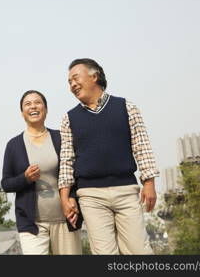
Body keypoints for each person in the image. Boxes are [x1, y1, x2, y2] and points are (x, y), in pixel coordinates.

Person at [58, 58, 158, 255]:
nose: (72, 85)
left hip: (126, 191)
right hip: (90, 195)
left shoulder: (126, 107)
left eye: (75, 78)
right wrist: (65, 197)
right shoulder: (69, 118)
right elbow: (67, 160)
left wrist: (149, 183)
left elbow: (142, 146)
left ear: (94, 76)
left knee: (139, 250)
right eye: (69, 82)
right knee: (104, 253)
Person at [1, 90, 82, 255]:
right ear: (22, 112)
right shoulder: (14, 145)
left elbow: (76, 172)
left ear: (45, 109)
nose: (33, 106)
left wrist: (72, 196)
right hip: (32, 223)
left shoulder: (61, 138)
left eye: (37, 103)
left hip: (65, 217)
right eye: (28, 104)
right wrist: (25, 178)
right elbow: (6, 183)